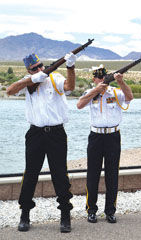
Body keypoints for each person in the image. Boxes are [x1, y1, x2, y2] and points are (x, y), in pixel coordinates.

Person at [6, 52, 77, 233]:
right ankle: (25, 215)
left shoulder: (55, 77)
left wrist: (70, 67)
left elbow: (70, 86)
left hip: (56, 133)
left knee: (60, 174)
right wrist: (32, 79)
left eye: (41, 66)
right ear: (29, 71)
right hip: (35, 133)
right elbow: (10, 90)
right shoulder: (28, 80)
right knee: (30, 175)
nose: (39, 70)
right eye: (34, 69)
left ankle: (65, 216)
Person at [76, 65, 133, 224]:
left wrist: (121, 82)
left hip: (113, 136)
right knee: (93, 175)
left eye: (104, 78)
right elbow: (79, 105)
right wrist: (96, 91)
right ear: (94, 79)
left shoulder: (114, 92)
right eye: (99, 78)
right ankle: (91, 210)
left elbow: (129, 97)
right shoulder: (90, 93)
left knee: (112, 175)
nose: (102, 80)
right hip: (96, 136)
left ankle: (110, 211)